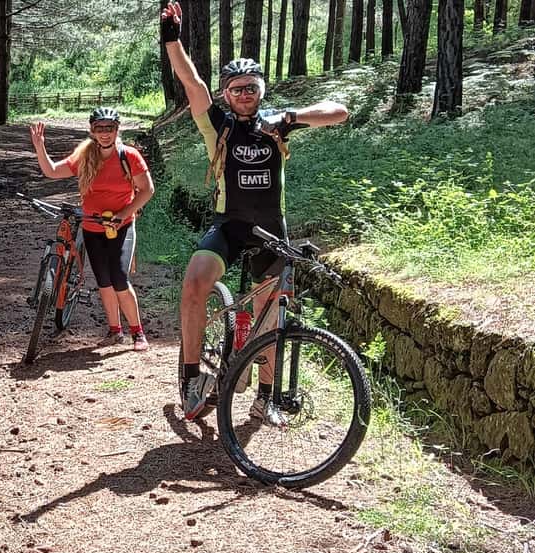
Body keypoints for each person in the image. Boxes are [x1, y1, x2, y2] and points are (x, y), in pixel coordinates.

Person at [160, 1, 349, 420]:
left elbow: (340, 112)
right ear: (226, 94)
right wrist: (172, 39)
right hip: (229, 226)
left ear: (262, 89)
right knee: (194, 285)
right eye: (236, 88)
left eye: (251, 86)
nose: (244, 94)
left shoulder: (279, 122)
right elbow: (192, 83)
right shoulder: (218, 125)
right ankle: (192, 377)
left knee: (270, 316)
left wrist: (290, 117)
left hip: (270, 230)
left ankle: (266, 398)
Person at [29, 108, 155, 352]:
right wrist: (39, 147)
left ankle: (137, 332)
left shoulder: (129, 156)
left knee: (119, 277)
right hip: (92, 226)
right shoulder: (85, 155)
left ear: (117, 130)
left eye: (109, 128)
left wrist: (122, 215)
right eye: (100, 128)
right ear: (92, 131)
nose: (105, 133)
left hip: (121, 226)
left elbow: (147, 190)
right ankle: (114, 331)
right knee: (104, 281)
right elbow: (52, 171)